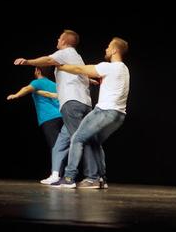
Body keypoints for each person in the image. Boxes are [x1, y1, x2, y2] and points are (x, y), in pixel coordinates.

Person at [13, 29, 98, 186]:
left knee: (80, 140)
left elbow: (47, 60)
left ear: (64, 41)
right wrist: (88, 79)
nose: (57, 40)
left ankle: (90, 177)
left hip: (72, 103)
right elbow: (80, 72)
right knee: (61, 143)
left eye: (59, 38)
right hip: (82, 103)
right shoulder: (77, 57)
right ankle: (55, 175)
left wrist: (28, 62)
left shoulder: (65, 53)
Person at [54, 37, 130, 188]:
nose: (106, 49)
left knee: (77, 138)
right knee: (94, 142)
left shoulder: (109, 67)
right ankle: (99, 179)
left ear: (115, 50)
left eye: (108, 47)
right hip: (119, 115)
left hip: (104, 111)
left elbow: (79, 69)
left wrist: (60, 66)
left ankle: (69, 178)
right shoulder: (125, 69)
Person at [6, 66, 64, 180]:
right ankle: (60, 174)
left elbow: (27, 88)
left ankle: (57, 175)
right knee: (60, 145)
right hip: (60, 116)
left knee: (55, 146)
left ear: (37, 70)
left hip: (49, 118)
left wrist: (16, 95)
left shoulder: (37, 82)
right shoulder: (54, 84)